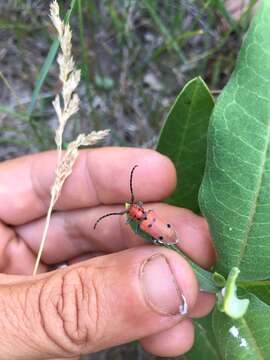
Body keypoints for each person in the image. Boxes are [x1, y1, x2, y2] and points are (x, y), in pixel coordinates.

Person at [0, 147, 216, 360]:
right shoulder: (146, 217)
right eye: (133, 211)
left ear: (137, 212)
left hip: (164, 233)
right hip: (164, 232)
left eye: (134, 209)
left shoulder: (142, 221)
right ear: (137, 213)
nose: (134, 210)